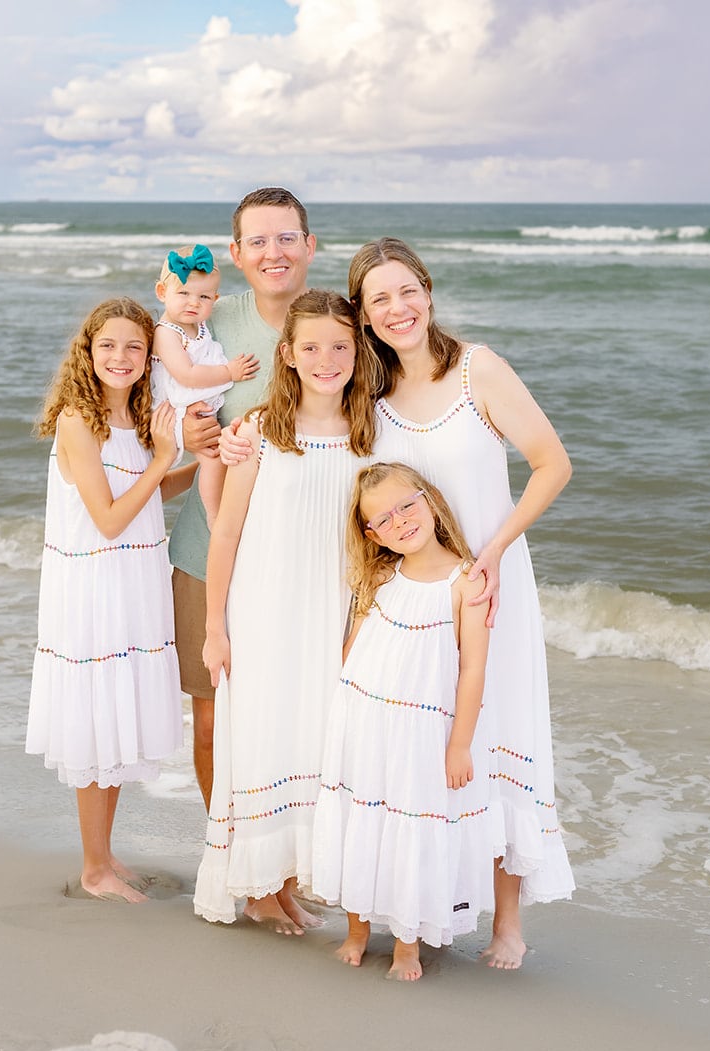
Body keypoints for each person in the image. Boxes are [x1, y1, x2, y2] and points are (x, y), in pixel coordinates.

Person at [348, 237, 576, 968]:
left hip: (488, 587)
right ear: (364, 314)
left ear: (428, 290)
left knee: (504, 740)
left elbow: (552, 464)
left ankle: (507, 922)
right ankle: (424, 897)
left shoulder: (480, 370)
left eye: (406, 290)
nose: (397, 308)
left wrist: (496, 549)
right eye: (379, 298)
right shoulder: (373, 396)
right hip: (414, 606)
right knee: (429, 750)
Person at [193, 289, 380, 933]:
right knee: (264, 734)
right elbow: (226, 533)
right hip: (265, 607)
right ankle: (256, 887)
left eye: (340, 346)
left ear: (358, 350)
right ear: (289, 355)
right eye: (312, 347)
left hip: (330, 608)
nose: (327, 359)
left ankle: (287, 878)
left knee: (317, 736)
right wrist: (215, 627)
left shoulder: (370, 434)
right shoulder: (260, 431)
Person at [26, 297, 195, 904]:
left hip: (133, 584)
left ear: (150, 356)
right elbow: (108, 518)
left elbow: (144, 492)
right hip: (96, 589)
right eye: (108, 346)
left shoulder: (138, 417)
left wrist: (197, 467)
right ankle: (93, 869)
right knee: (99, 724)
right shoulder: (79, 419)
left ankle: (105, 853)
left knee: (118, 720)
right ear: (88, 352)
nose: (121, 357)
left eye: (134, 347)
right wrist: (167, 461)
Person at [311, 463, 499, 981]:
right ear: (371, 534)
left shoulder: (466, 581)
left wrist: (460, 745)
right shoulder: (379, 574)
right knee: (361, 820)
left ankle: (407, 945)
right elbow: (355, 645)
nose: (399, 522)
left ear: (430, 500)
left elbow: (473, 669)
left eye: (406, 506)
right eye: (384, 519)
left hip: (421, 734)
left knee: (409, 828)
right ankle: (355, 930)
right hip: (366, 722)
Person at [167, 188, 316, 813]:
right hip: (207, 551)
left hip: (299, 560)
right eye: (257, 240)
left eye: (286, 238)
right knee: (212, 723)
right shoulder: (209, 317)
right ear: (236, 252)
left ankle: (284, 862)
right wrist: (177, 433)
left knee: (293, 720)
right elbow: (145, 382)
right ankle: (227, 854)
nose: (272, 252)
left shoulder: (337, 326)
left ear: (310, 245)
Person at [150, 244, 260, 527]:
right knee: (212, 459)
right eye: (183, 293)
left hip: (196, 404)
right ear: (162, 293)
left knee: (225, 452)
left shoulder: (197, 327)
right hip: (177, 408)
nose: (193, 303)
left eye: (203, 297)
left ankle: (232, 507)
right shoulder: (166, 333)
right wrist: (229, 372)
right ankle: (215, 518)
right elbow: (186, 374)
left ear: (215, 299)